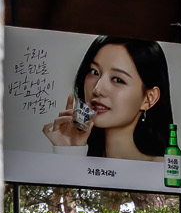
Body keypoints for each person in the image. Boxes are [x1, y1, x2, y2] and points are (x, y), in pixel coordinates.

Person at [41, 36, 172, 163]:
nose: (97, 89)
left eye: (118, 79)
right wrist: (69, 154)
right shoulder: (76, 155)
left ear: (149, 99)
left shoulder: (160, 170)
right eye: (94, 72)